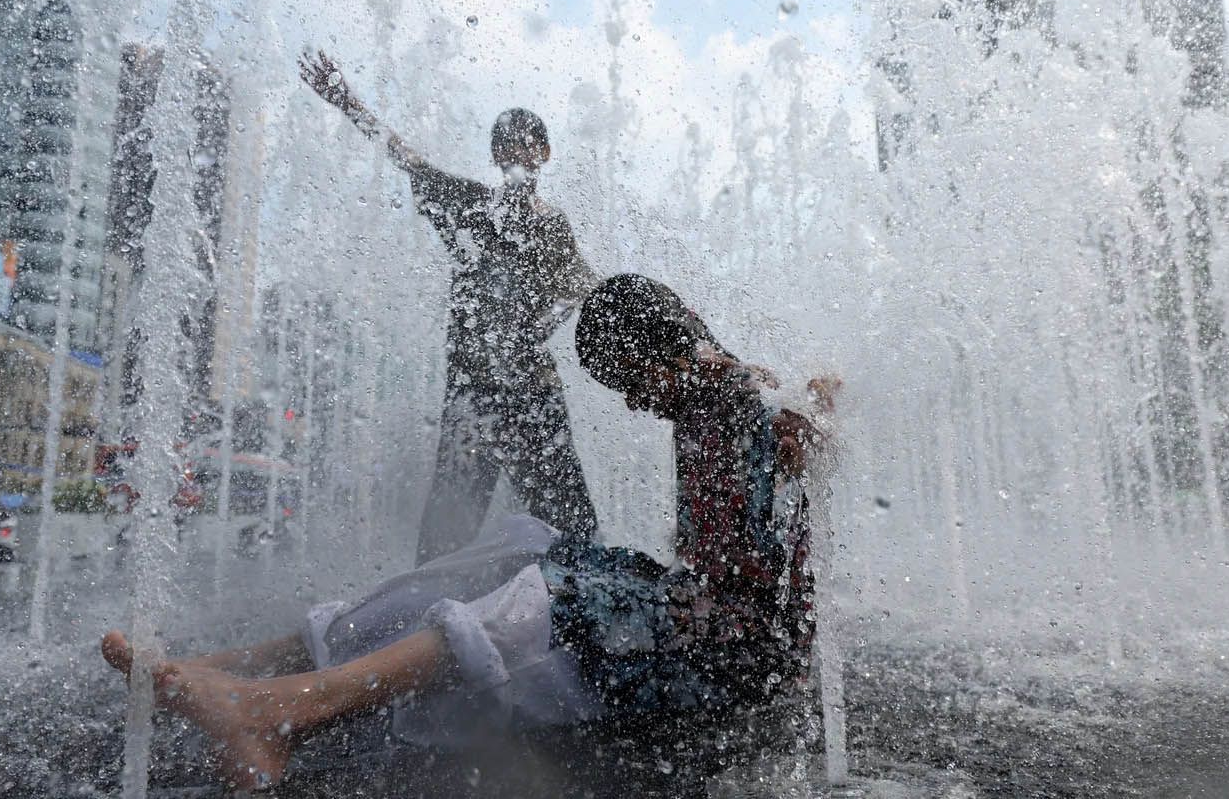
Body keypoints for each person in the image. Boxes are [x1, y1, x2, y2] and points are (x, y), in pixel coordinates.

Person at [99, 274, 836, 791]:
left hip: (738, 657)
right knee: (525, 539)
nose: (635, 404)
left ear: (663, 349)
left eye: (632, 382)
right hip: (702, 613)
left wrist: (810, 424)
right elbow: (807, 406)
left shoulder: (734, 401)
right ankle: (231, 666)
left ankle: (281, 709)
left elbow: (761, 565)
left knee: (552, 593)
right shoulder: (718, 389)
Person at [301, 50, 599, 563]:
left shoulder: (553, 227)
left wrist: (539, 328)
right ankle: (429, 605)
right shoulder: (472, 205)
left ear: (544, 153)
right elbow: (408, 159)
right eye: (503, 144)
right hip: (473, 395)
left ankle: (575, 602)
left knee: (572, 530)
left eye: (523, 142)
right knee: (445, 536)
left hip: (533, 394)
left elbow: (584, 288)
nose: (513, 151)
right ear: (495, 155)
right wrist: (347, 102)